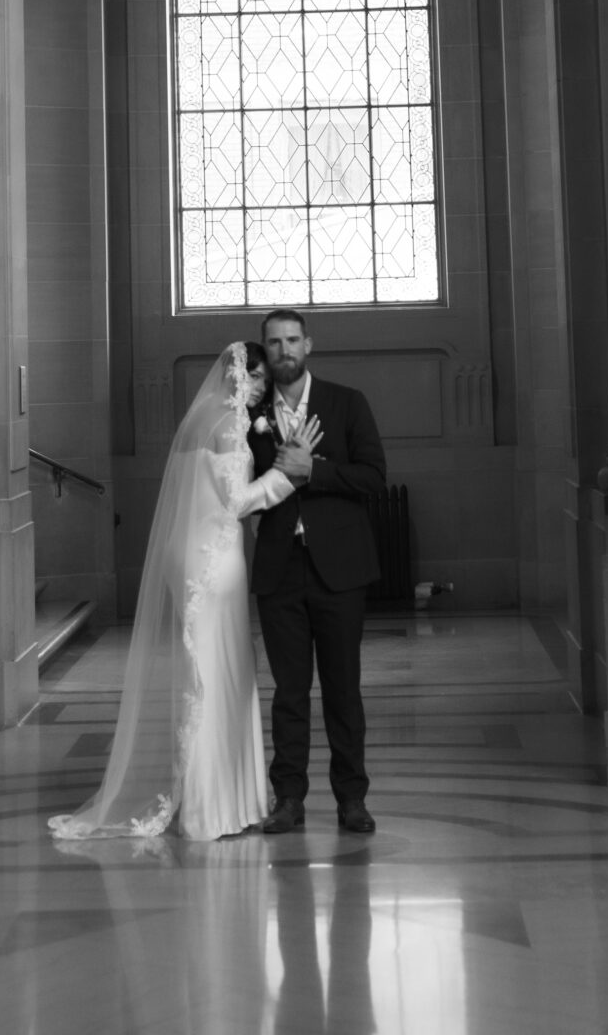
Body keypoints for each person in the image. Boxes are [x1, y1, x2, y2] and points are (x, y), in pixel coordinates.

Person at [48, 339, 301, 842]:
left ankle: (212, 797)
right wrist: (285, 477)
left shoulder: (197, 420)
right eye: (259, 382)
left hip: (185, 555)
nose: (260, 395)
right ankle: (217, 807)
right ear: (242, 377)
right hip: (214, 562)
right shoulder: (230, 424)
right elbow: (238, 501)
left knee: (204, 670)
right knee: (222, 672)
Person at [248, 308, 387, 835]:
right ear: (266, 351)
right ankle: (289, 798)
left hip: (341, 571)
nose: (283, 350)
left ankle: (352, 799)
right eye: (274, 343)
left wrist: (315, 471)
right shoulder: (247, 414)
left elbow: (374, 476)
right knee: (288, 692)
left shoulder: (347, 403)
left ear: (309, 344)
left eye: (292, 340)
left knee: (343, 690)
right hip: (278, 571)